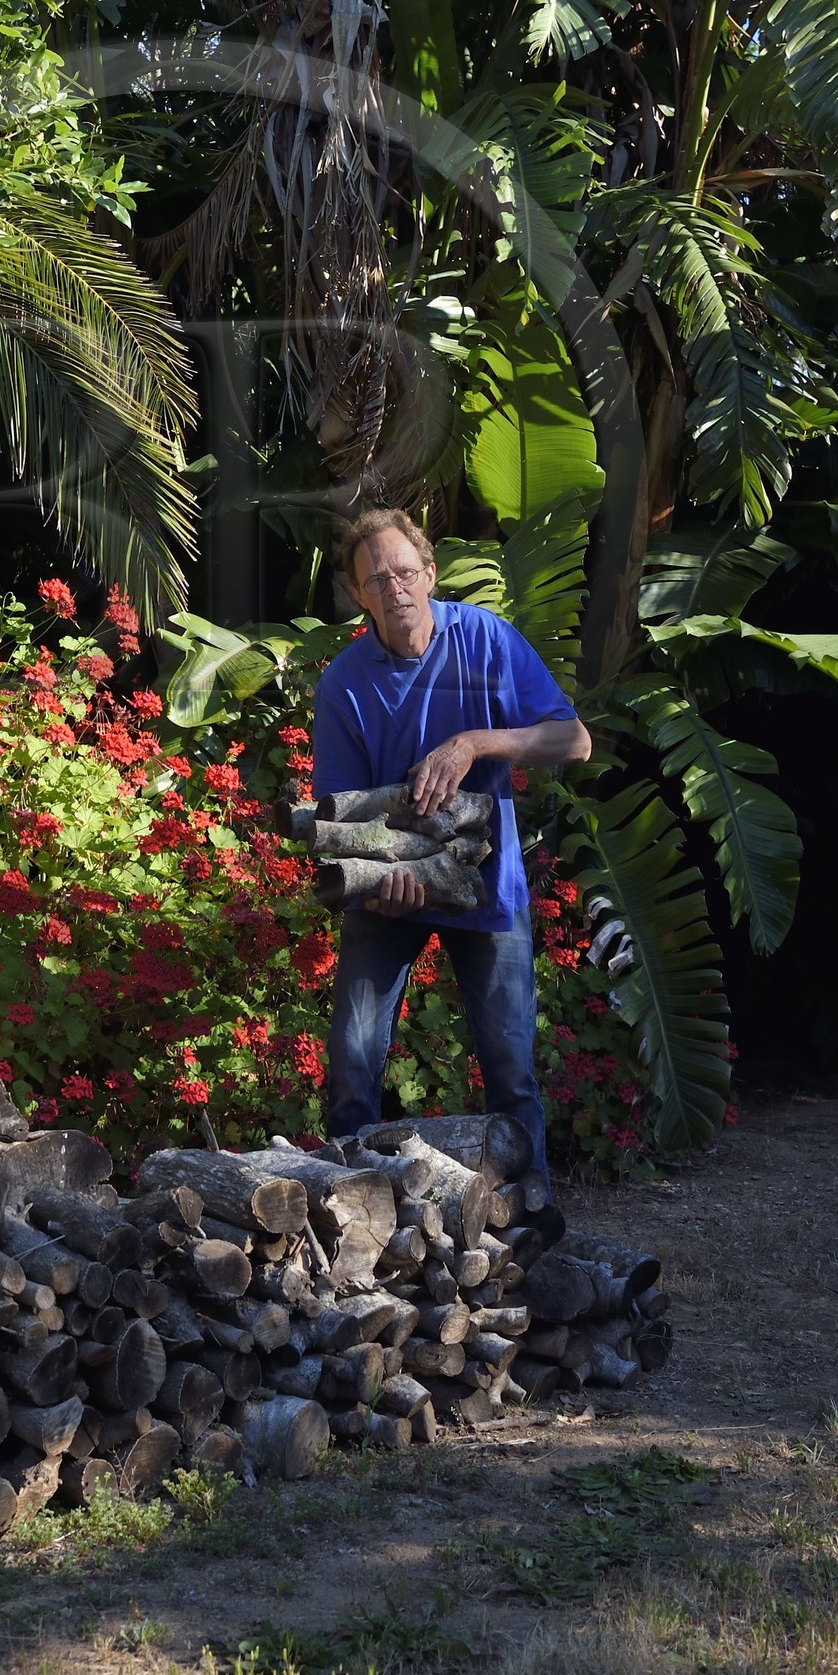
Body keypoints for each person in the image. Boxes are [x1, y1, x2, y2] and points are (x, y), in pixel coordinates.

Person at [313, 507, 591, 1211]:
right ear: (360, 596)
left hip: (487, 886)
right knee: (351, 1066)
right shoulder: (344, 683)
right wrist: (382, 888)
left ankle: (534, 1222)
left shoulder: (488, 639)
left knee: (511, 1073)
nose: (396, 587)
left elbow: (574, 740)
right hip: (390, 884)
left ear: (430, 574)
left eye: (406, 571)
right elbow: (341, 817)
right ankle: (353, 1219)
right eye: (378, 579)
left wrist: (475, 743)